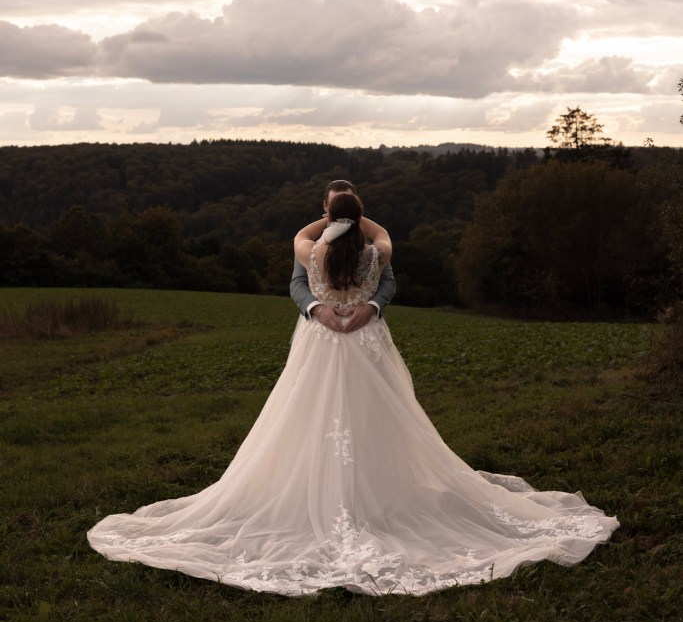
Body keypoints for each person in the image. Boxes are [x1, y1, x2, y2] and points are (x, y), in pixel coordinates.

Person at [88, 192, 619, 596]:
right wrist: (348, 242)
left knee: (341, 417)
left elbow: (310, 247)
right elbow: (363, 252)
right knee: (358, 415)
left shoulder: (311, 247)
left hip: (328, 342)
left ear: (326, 213)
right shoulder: (375, 251)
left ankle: (362, 490)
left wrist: (340, 244)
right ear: (359, 218)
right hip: (358, 340)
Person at [290, 179, 396, 333]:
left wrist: (372, 308)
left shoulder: (307, 247)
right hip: (321, 321)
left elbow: (388, 281)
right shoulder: (377, 250)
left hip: (363, 323)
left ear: (329, 211)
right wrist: (317, 309)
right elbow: (298, 282)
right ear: (325, 205)